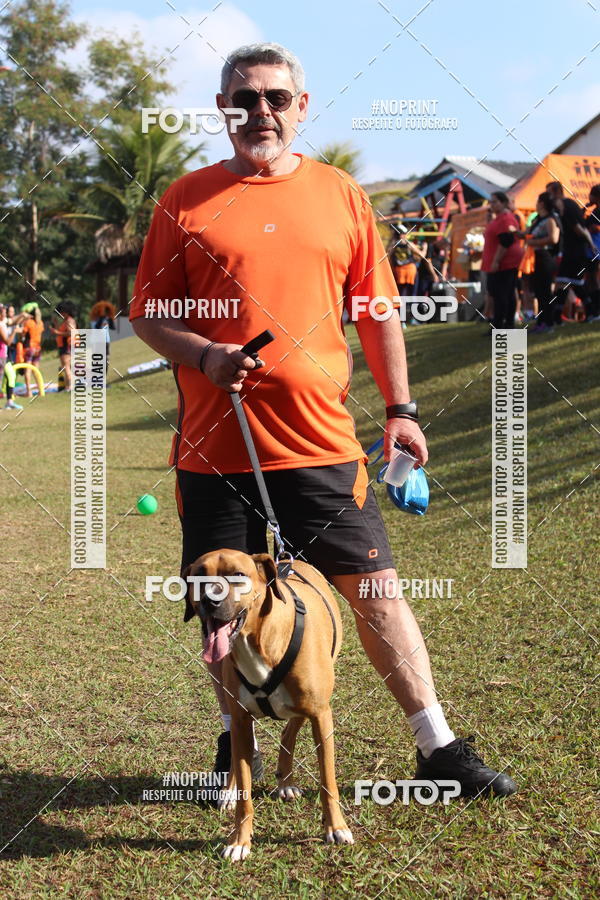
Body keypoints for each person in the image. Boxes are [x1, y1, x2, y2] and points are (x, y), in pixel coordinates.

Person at [130, 42, 517, 799]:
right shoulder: (183, 199)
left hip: (320, 447)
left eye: (276, 97)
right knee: (220, 604)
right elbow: (149, 314)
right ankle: (236, 735)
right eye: (244, 99)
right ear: (222, 109)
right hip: (216, 453)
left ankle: (436, 747)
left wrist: (401, 411)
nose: (260, 112)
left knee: (375, 593)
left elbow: (377, 314)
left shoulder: (341, 195)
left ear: (301, 108)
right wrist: (206, 354)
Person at [546, 181, 595, 321]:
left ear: (556, 192)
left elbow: (578, 228)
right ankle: (588, 312)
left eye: (550, 193)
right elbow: (583, 227)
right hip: (575, 250)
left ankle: (558, 316)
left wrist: (590, 243)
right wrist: (590, 244)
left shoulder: (566, 206)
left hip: (574, 251)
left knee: (565, 282)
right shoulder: (571, 204)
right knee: (572, 283)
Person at [481, 191, 523, 331]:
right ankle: (504, 324)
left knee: (502, 294)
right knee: (503, 293)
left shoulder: (506, 218)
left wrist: (496, 261)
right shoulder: (498, 218)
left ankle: (501, 325)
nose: (491, 205)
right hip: (501, 262)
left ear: (503, 203)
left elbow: (506, 240)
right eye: (490, 202)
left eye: (494, 202)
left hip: (505, 263)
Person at [521, 193, 561, 333]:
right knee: (538, 291)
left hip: (545, 257)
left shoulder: (550, 219)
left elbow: (554, 238)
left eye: (538, 201)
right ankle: (541, 322)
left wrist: (534, 242)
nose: (536, 204)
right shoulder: (538, 219)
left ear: (542, 203)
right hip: (535, 258)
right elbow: (527, 234)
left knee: (544, 292)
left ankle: (548, 323)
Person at [0, 304, 28, 410]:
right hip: (1, 356)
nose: (5, 315)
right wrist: (14, 332)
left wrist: (22, 315)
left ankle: (9, 402)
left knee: (11, 375)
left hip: (4, 356)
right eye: (3, 313)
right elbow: (7, 341)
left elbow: (12, 321)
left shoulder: (3, 321)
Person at [50, 301, 77, 391]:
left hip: (67, 347)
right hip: (64, 346)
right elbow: (62, 331)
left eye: (61, 312)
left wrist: (57, 332)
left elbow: (70, 332)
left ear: (65, 311)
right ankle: (67, 386)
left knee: (66, 367)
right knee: (65, 367)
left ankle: (70, 387)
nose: (60, 314)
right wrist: (56, 325)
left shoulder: (69, 320)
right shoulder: (66, 321)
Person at [584, 184, 600, 321]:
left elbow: (593, 227)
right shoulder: (594, 210)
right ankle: (594, 310)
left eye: (591, 194)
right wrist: (586, 206)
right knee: (591, 279)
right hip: (592, 249)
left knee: (594, 279)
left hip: (596, 249)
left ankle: (597, 310)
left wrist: (595, 228)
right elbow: (582, 221)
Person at [22, 304, 45, 396]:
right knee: (36, 370)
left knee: (27, 370)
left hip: (29, 348)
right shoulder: (41, 323)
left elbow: (23, 334)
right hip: (38, 348)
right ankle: (40, 391)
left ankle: (29, 392)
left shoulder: (28, 322)